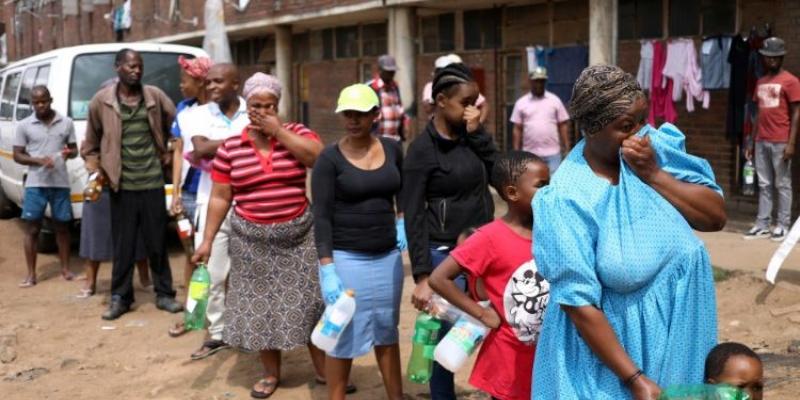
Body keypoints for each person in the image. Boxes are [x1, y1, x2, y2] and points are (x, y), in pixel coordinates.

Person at [531, 65, 726, 400]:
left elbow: (714, 216)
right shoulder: (567, 197)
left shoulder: (652, 151)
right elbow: (578, 304)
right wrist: (635, 378)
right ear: (592, 128)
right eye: (626, 126)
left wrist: (654, 173)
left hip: (680, 335)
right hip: (613, 363)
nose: (639, 133)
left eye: (641, 119)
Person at [192, 72, 326, 399]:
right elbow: (221, 196)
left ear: (278, 107)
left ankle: (325, 370)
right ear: (246, 106)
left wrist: (278, 131)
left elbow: (318, 160)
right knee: (261, 308)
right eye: (256, 106)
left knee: (310, 304)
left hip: (298, 237)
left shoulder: (296, 133)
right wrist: (207, 240)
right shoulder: (232, 148)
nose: (263, 111)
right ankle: (270, 373)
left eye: (270, 106)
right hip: (251, 241)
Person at [402, 63, 497, 400]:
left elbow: (501, 177)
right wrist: (423, 276)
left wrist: (480, 135)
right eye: (465, 102)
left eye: (476, 102)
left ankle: (497, 390)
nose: (472, 109)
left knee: (496, 327)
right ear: (441, 101)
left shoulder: (474, 138)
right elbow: (412, 214)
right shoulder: (421, 151)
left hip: (486, 252)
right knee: (444, 337)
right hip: (446, 258)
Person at [429, 151, 550, 400]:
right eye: (542, 186)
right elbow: (439, 278)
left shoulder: (550, 232)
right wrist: (482, 313)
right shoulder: (489, 237)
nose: (549, 192)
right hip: (507, 359)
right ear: (512, 192)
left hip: (546, 356)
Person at [312, 83, 406, 400]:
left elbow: (403, 190)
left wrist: (402, 220)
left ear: (375, 115)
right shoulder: (329, 159)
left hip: (387, 257)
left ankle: (396, 396)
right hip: (346, 257)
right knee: (343, 330)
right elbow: (321, 216)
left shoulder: (393, 149)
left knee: (386, 328)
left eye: (360, 114)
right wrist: (327, 267)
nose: (352, 120)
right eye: (347, 114)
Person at [81, 48, 182, 320]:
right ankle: (120, 298)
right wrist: (96, 171)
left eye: (139, 66)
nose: (136, 71)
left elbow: (179, 126)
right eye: (130, 66)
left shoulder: (155, 97)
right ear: (117, 68)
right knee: (123, 246)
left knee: (157, 242)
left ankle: (164, 294)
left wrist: (169, 152)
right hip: (121, 186)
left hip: (151, 182)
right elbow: (89, 145)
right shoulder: (100, 102)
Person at [179, 63, 249, 357]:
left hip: (251, 202)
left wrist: (216, 145)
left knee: (249, 273)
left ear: (236, 84)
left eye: (218, 82)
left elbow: (210, 148)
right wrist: (247, 141)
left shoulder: (253, 109)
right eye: (208, 83)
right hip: (212, 201)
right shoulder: (194, 114)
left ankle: (248, 328)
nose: (211, 87)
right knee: (213, 271)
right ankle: (218, 333)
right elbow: (201, 149)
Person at [13, 85, 78, 287]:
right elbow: (17, 155)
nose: (40, 105)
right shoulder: (24, 125)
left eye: (44, 101)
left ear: (51, 100)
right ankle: (31, 274)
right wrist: (39, 161)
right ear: (32, 103)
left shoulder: (66, 123)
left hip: (60, 183)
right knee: (32, 229)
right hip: (35, 184)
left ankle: (66, 269)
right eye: (36, 102)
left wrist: (70, 153)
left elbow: (74, 150)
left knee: (62, 227)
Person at [166, 55, 212, 337]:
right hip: (190, 195)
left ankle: (219, 317)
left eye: (185, 80)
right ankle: (192, 313)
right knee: (191, 257)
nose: (181, 85)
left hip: (215, 194)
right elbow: (178, 153)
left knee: (217, 257)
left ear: (201, 81)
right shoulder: (183, 110)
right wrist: (176, 193)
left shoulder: (221, 110)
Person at [743, 37, 800, 242]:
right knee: (764, 183)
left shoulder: (791, 81)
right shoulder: (761, 82)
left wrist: (792, 142)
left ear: (782, 57)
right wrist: (751, 140)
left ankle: (783, 225)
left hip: (781, 140)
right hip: (761, 140)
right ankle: (762, 224)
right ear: (763, 59)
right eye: (768, 57)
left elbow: (796, 113)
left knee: (782, 184)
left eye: (776, 57)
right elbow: (757, 114)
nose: (772, 61)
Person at [511, 67, 571, 173]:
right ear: (530, 82)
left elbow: (563, 124)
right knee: (532, 185)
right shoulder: (521, 103)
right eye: (536, 81)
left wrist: (566, 147)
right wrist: (516, 151)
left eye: (542, 81)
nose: (539, 84)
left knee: (553, 185)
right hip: (530, 154)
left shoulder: (555, 100)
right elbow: (517, 128)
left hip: (553, 154)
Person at [422, 54, 489, 124]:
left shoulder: (464, 88)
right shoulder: (430, 86)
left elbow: (484, 105)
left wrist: (478, 124)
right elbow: (427, 108)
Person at [366, 54, 407, 141]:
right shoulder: (371, 87)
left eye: (393, 71)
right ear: (380, 70)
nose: (392, 74)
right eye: (388, 71)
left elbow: (399, 108)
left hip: (395, 140)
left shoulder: (395, 87)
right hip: (377, 140)